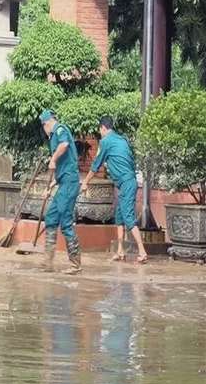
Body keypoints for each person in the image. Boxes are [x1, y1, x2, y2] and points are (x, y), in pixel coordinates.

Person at [81, 116, 149, 264]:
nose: (100, 133)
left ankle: (142, 252)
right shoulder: (122, 139)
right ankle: (120, 251)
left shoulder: (106, 141)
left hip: (126, 184)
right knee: (119, 218)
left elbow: (96, 164)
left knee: (129, 218)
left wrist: (85, 182)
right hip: (127, 182)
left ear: (103, 128)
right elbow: (128, 160)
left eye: (100, 130)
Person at [39, 109, 82, 275]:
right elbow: (63, 166)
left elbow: (64, 146)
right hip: (63, 182)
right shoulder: (53, 136)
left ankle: (75, 263)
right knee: (51, 217)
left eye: (44, 126)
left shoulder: (60, 130)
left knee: (65, 220)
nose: (44, 129)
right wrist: (51, 186)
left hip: (69, 183)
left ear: (47, 123)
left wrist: (53, 158)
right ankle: (47, 261)